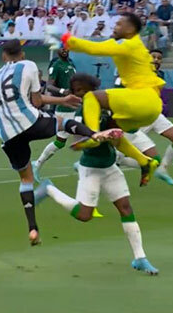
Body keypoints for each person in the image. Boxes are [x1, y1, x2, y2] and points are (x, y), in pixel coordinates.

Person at [0, 39, 121, 246]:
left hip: (6, 133)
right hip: (28, 121)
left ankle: (33, 229)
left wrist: (62, 100)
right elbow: (37, 102)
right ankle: (94, 135)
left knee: (26, 179)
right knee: (64, 123)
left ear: (4, 56)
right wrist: (64, 100)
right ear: (22, 54)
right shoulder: (29, 65)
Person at [33, 73, 159, 275]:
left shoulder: (105, 110)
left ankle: (140, 258)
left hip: (109, 167)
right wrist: (101, 136)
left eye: (84, 90)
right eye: (77, 91)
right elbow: (79, 143)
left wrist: (141, 159)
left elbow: (119, 141)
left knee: (126, 208)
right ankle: (49, 189)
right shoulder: (81, 114)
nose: (81, 95)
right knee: (84, 215)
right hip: (91, 168)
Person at [45, 13, 164, 185]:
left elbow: (93, 48)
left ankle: (94, 135)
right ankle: (145, 162)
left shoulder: (129, 44)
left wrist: (64, 37)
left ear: (130, 29)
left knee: (91, 97)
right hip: (150, 107)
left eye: (119, 24)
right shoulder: (126, 45)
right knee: (112, 133)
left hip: (143, 98)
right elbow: (98, 46)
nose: (115, 26)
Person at [115, 50, 173, 186]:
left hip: (154, 114)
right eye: (153, 57)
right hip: (139, 116)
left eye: (159, 58)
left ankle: (163, 169)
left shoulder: (159, 75)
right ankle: (119, 160)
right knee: (123, 154)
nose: (156, 60)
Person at [32, 48, 77, 178]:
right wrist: (63, 91)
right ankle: (38, 164)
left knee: (64, 141)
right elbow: (49, 86)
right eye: (62, 49)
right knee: (62, 141)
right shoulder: (56, 65)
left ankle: (38, 163)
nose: (64, 51)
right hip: (65, 109)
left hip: (74, 105)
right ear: (58, 51)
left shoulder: (71, 63)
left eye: (66, 48)